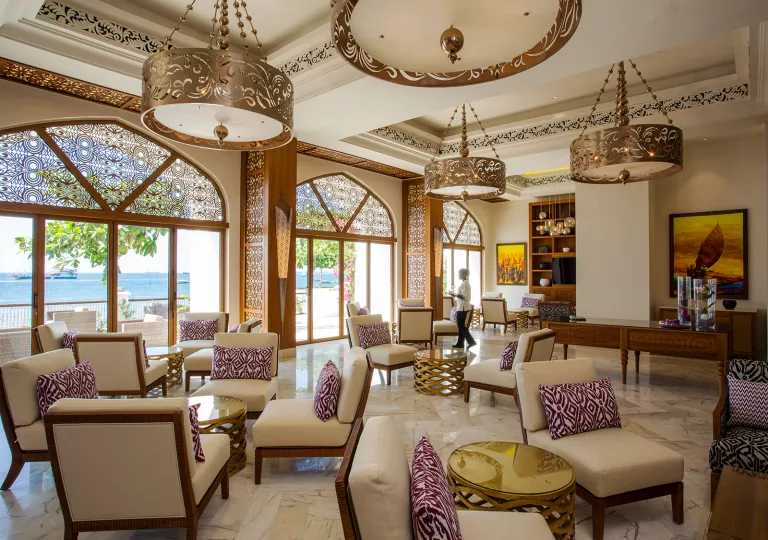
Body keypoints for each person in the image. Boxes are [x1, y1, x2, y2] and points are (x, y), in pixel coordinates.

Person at [448, 268, 476, 350]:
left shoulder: (465, 284)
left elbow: (465, 297)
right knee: (461, 326)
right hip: (461, 306)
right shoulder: (464, 283)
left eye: (459, 273)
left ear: (464, 274)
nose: (458, 275)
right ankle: (460, 343)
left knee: (461, 326)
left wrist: (454, 295)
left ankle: (471, 342)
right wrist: (455, 295)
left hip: (463, 307)